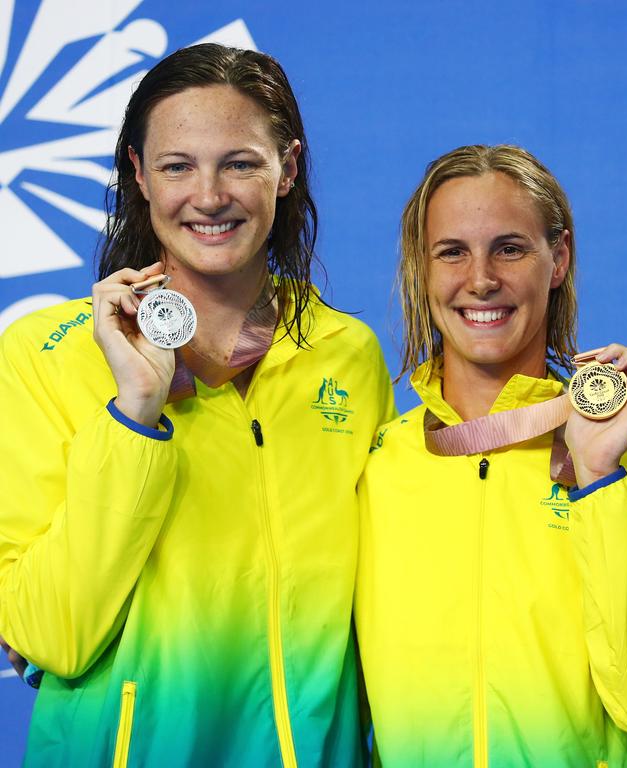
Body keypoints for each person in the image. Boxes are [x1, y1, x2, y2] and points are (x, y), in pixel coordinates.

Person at [0, 44, 393, 767]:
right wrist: (134, 414)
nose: (209, 196)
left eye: (240, 163)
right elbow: (49, 634)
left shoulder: (348, 354)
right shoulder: (42, 355)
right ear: (139, 175)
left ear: (289, 169)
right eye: (178, 165)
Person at [354, 144, 627, 766]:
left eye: (510, 248)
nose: (481, 279)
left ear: (558, 260)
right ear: (422, 268)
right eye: (452, 252)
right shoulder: (379, 461)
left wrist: (601, 480)